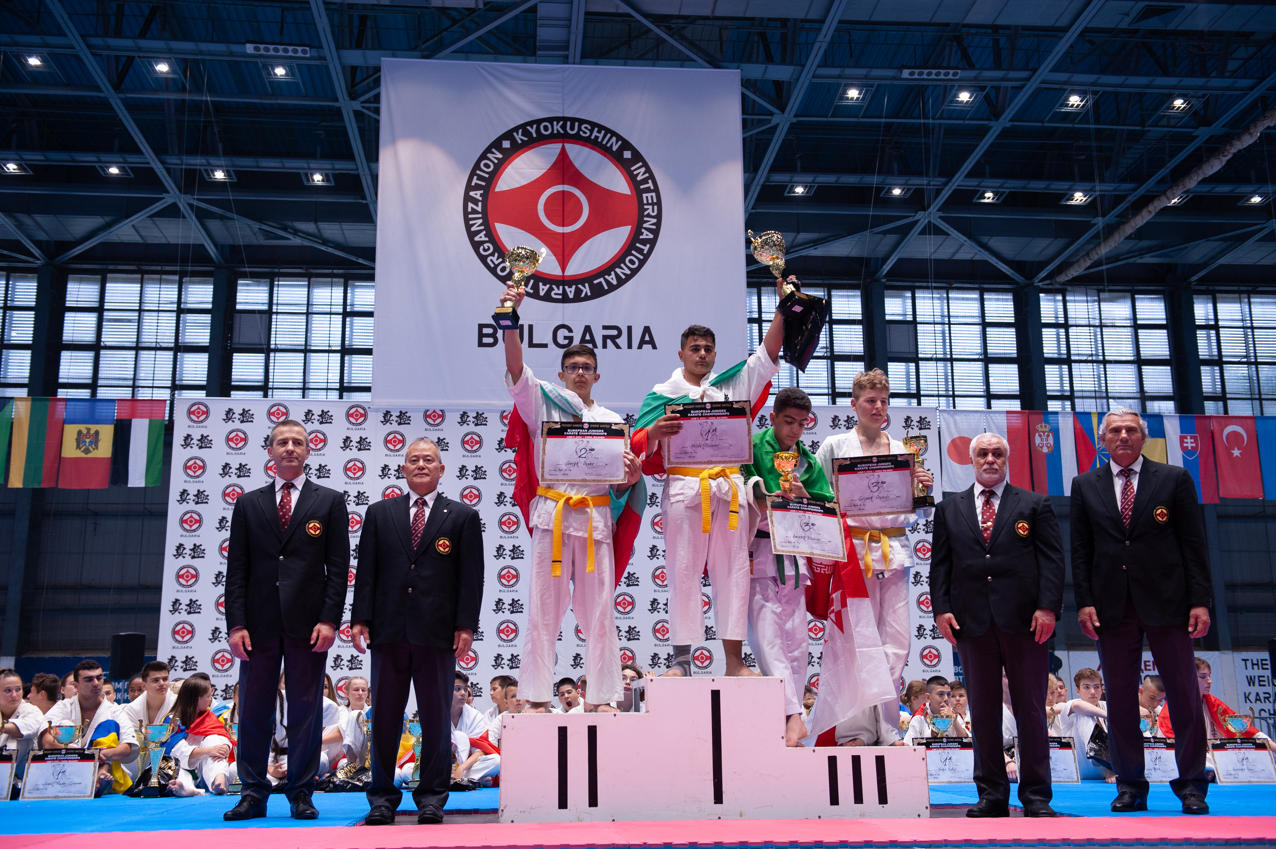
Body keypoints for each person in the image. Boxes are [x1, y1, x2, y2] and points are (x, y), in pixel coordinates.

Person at [632, 274, 789, 678]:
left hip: (728, 488)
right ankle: (682, 662)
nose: (701, 354)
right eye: (695, 348)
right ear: (681, 353)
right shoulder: (663, 395)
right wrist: (655, 432)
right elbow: (636, 443)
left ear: (715, 354)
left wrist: (783, 307)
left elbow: (767, 355)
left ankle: (734, 662)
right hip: (685, 487)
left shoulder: (730, 387)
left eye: (707, 349)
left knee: (733, 572)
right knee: (683, 571)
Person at [500, 296, 645, 713]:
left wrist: (631, 477)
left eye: (586, 368)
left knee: (599, 611)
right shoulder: (542, 403)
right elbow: (516, 370)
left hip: (596, 518)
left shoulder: (613, 421)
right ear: (561, 374)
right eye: (572, 367)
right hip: (553, 516)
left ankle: (603, 697)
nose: (579, 373)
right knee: (543, 608)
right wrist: (511, 321)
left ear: (597, 376)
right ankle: (537, 696)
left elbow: (620, 484)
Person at [1071, 408, 1213, 815]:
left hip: (1170, 602)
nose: (1123, 436)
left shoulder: (1173, 479)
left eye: (1131, 430)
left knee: (1183, 695)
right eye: (1115, 430)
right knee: (1119, 699)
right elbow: (1080, 550)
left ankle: (1192, 786)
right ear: (1103, 440)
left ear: (1142, 437)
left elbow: (1194, 544)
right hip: (1112, 606)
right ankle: (1130, 785)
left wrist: (1200, 600)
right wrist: (1085, 602)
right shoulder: (1085, 485)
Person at [351, 437, 485, 826]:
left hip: (437, 633)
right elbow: (367, 572)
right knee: (385, 718)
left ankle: (431, 797)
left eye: (429, 460)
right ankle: (382, 798)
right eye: (414, 460)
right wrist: (360, 618)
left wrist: (465, 625)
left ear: (441, 470)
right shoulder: (380, 513)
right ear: (403, 469)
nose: (421, 465)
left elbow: (471, 578)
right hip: (388, 630)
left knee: (436, 718)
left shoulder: (461, 516)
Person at [223, 419, 350, 821]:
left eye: (297, 442)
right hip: (258, 625)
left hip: (308, 625)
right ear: (270, 451)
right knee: (254, 710)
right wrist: (236, 625)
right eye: (282, 442)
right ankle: (253, 792)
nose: (290, 448)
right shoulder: (249, 504)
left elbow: (338, 567)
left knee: (305, 711)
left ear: (308, 451)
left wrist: (329, 620)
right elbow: (237, 569)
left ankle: (301, 792)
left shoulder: (329, 501)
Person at [931, 431, 1063, 817]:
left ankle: (1036, 796)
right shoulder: (949, 509)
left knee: (1031, 710)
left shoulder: (1034, 504)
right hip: (972, 623)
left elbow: (1052, 560)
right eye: (983, 454)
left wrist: (1047, 608)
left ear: (1007, 460)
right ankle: (991, 794)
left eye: (998, 454)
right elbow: (941, 564)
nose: (990, 459)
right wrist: (942, 609)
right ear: (972, 461)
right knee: (984, 711)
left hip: (1026, 622)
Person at [809, 369, 933, 740]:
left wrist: (923, 489)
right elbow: (815, 496)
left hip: (893, 551)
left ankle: (888, 726)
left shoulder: (903, 451)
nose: (878, 407)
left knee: (897, 643)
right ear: (854, 404)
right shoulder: (835, 446)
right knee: (856, 641)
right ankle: (856, 729)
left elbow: (922, 512)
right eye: (870, 401)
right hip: (852, 554)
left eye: (883, 401)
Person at [740, 386, 833, 746]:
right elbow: (739, 484)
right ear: (773, 417)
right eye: (788, 421)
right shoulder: (750, 446)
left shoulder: (807, 461)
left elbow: (827, 506)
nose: (794, 430)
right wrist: (764, 496)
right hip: (759, 550)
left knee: (796, 641)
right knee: (767, 638)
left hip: (794, 554)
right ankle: (793, 714)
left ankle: (790, 722)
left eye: (802, 424)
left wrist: (803, 498)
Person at [40, 660, 138, 795]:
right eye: (89, 679)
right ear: (76, 685)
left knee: (108, 725)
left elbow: (127, 747)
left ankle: (100, 775)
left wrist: (101, 754)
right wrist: (82, 754)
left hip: (104, 768)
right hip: (66, 767)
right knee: (65, 724)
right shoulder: (63, 707)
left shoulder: (114, 711)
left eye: (99, 678)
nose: (96, 683)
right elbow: (46, 741)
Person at [1159, 658, 1276, 750]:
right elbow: (1172, 742)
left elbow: (1247, 731)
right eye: (1203, 677)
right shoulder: (1173, 707)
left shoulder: (1213, 704)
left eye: (1209, 676)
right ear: (1187, 678)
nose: (1209, 681)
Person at [166, 676, 235, 796]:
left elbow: (223, 737)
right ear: (196, 699)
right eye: (208, 696)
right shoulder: (172, 721)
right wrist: (208, 750)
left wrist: (225, 747)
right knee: (181, 773)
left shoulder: (209, 717)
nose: (210, 700)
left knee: (214, 740)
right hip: (181, 767)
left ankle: (219, 780)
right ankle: (188, 790)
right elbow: (176, 750)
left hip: (205, 770)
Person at [122, 660, 177, 781]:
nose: (162, 684)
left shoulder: (178, 704)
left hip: (170, 756)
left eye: (165, 679)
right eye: (155, 680)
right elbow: (131, 741)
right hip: (142, 759)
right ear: (144, 685)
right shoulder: (132, 709)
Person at [1058, 667, 1115, 781]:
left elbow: (1135, 710)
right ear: (1077, 690)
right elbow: (1079, 706)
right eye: (1086, 687)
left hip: (1107, 767)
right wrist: (1112, 717)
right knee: (1085, 715)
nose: (1092, 692)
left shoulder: (1105, 706)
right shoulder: (1072, 705)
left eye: (1096, 687)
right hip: (1081, 769)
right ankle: (1108, 769)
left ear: (1102, 689)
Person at [0, 669, 45, 792]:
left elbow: (30, 728)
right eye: (8, 691)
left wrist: (2, 727)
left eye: (18, 689)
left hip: (24, 782)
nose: (14, 695)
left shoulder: (32, 710)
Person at [903, 676, 962, 744]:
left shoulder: (954, 714)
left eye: (948, 694)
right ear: (928, 697)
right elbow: (908, 745)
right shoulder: (919, 717)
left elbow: (968, 742)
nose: (946, 698)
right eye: (941, 694)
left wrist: (954, 720)